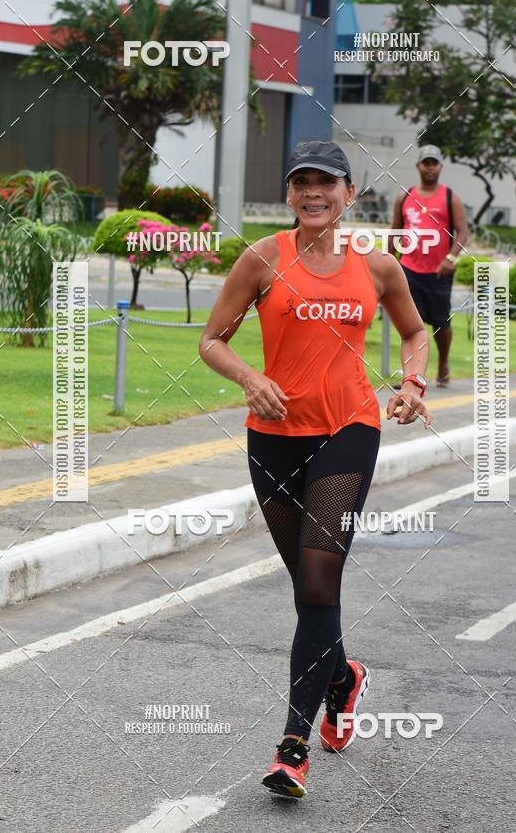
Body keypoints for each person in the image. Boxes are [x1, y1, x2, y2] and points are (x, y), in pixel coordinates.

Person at [199, 140, 432, 799]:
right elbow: (212, 338)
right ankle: (342, 676)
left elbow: (416, 333)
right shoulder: (262, 258)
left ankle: (292, 746)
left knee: (320, 580)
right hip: (272, 436)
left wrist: (413, 384)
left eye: (325, 183)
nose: (312, 192)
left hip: (348, 429)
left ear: (348, 193)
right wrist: (249, 377)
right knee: (305, 584)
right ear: (291, 193)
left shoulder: (377, 267)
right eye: (301, 181)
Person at [391, 145, 468, 387]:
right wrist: (385, 261)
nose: (430, 167)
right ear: (418, 166)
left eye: (434, 162)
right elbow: (396, 231)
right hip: (409, 270)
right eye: (426, 162)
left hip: (439, 272)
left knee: (440, 323)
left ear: (440, 166)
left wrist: (451, 258)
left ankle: (443, 363)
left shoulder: (449, 197)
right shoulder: (404, 197)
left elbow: (463, 232)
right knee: (411, 325)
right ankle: (411, 377)